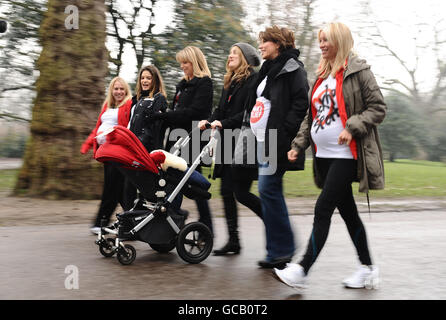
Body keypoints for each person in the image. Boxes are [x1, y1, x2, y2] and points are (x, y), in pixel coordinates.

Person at [273, 22, 386, 289]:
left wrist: (352, 127)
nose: (322, 44)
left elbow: (378, 107)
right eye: (320, 40)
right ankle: (368, 268)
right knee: (348, 213)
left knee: (323, 208)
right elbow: (311, 117)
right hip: (323, 156)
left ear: (341, 41)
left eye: (327, 40)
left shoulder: (359, 72)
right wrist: (298, 144)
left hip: (346, 154)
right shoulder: (322, 75)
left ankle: (302, 269)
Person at [247, 26, 310, 268]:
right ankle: (277, 251)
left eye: (264, 42)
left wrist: (284, 133)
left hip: (278, 140)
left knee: (268, 188)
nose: (260, 46)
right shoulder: (267, 70)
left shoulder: (293, 68)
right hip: (263, 139)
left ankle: (284, 248)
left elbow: (301, 102)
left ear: (278, 44)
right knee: (270, 191)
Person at [198, 43, 263, 255]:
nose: (230, 55)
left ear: (245, 57)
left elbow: (248, 113)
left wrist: (222, 123)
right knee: (226, 191)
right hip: (227, 143)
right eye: (230, 52)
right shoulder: (229, 83)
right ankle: (233, 241)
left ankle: (274, 222)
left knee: (241, 193)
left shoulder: (253, 80)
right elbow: (220, 110)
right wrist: (208, 121)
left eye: (235, 52)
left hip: (244, 143)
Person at [152, 46, 214, 234]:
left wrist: (167, 115)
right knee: (179, 181)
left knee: (186, 181)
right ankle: (176, 218)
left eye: (185, 62)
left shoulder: (204, 83)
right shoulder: (182, 84)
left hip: (193, 140)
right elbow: (177, 112)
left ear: (195, 63)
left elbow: (195, 113)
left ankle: (199, 224)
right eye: (181, 62)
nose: (182, 66)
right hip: (177, 140)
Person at [80, 76, 133, 234]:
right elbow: (98, 128)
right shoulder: (107, 105)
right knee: (119, 190)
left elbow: (128, 127)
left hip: (118, 151)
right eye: (115, 89)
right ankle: (134, 221)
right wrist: (88, 144)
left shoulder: (128, 104)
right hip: (105, 152)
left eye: (121, 89)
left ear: (126, 90)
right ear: (111, 90)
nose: (118, 92)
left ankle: (101, 222)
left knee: (112, 188)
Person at [123, 65, 168, 210]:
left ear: (155, 79)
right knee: (129, 184)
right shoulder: (138, 99)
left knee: (144, 186)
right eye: (142, 78)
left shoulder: (159, 98)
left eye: (148, 78)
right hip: (133, 147)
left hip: (146, 149)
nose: (145, 81)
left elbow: (153, 125)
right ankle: (131, 217)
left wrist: (139, 143)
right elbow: (131, 123)